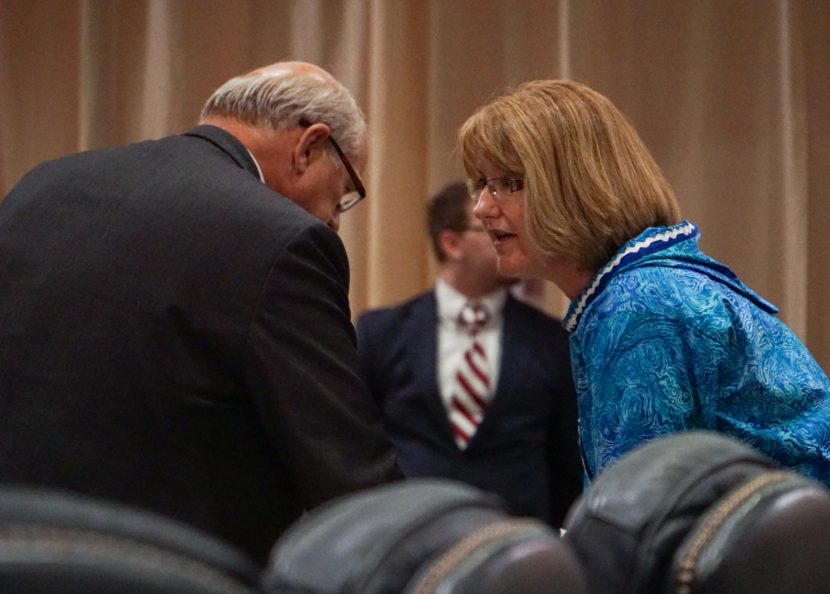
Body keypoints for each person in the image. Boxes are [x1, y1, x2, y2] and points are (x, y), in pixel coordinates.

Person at [0, 61, 401, 564]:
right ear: (310, 147)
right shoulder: (283, 241)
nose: (332, 221)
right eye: (342, 195)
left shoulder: (43, 186)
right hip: (169, 569)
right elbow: (345, 467)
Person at [458, 79, 830, 486]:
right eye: (481, 184)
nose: (481, 208)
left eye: (509, 183)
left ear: (577, 188)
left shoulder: (641, 305)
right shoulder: (637, 287)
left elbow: (639, 518)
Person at [356, 182, 582, 526]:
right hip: (407, 535)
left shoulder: (553, 339)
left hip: (515, 542)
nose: (510, 240)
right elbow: (361, 446)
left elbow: (566, 462)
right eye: (492, 231)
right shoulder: (381, 332)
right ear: (452, 243)